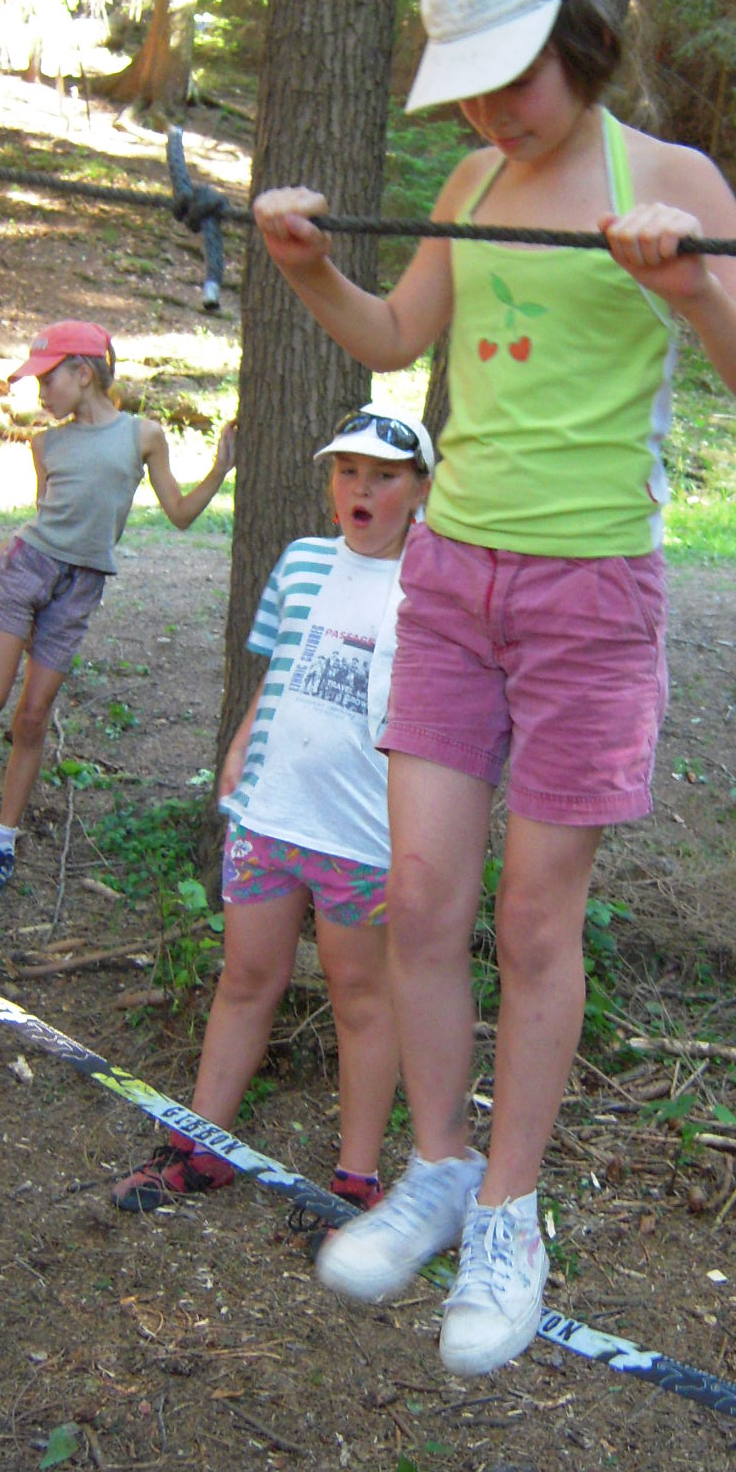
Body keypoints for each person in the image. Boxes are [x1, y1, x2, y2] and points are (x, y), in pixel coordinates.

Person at [252, 0, 736, 1375]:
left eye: (514, 76)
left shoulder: (668, 178)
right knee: (423, 897)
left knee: (535, 922)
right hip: (450, 582)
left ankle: (510, 1213)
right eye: (470, 86)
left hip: (590, 597)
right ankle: (438, 1169)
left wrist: (692, 287)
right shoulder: (470, 182)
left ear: (581, 35)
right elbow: (396, 337)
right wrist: (308, 268)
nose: (493, 110)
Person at [110, 406, 434, 1215]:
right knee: (246, 979)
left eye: (384, 477)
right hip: (270, 818)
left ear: (421, 490)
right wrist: (239, 747)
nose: (361, 490)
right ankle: (203, 1146)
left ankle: (355, 1184)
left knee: (361, 998)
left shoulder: (433, 585)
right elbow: (280, 669)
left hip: (363, 835)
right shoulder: (300, 562)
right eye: (348, 472)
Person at [0, 320, 235, 901]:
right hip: (27, 571)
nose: (40, 393)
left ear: (84, 373)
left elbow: (180, 514)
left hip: (81, 588)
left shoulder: (144, 436)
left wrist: (220, 468)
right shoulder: (46, 443)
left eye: (47, 380)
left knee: (32, 718)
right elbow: (45, 524)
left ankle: (2, 843)